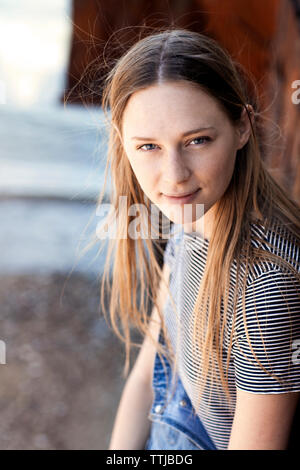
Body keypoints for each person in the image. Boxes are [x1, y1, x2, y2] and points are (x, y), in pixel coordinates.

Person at [91, 28, 300, 450]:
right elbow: (150, 370)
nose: (174, 175)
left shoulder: (266, 284)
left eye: (197, 141)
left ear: (242, 126)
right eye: (148, 146)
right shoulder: (191, 221)